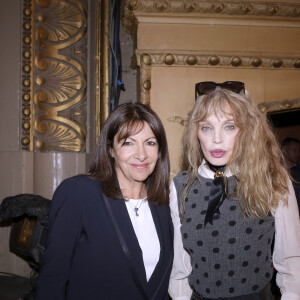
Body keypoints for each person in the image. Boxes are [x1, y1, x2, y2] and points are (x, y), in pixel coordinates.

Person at [168, 82, 300, 300]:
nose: (216, 139)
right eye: (207, 127)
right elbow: (180, 269)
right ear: (196, 133)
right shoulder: (181, 186)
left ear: (246, 131)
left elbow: (291, 261)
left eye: (229, 126)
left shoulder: (272, 178)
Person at [36, 103, 173, 300]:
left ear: (160, 150)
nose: (141, 154)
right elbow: (52, 280)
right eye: (128, 143)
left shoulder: (164, 202)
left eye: (150, 143)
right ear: (111, 149)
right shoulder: (79, 193)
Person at [282, 137, 300, 212]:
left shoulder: (298, 170)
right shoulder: (279, 174)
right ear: (285, 150)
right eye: (294, 150)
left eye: (299, 151)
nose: (298, 154)